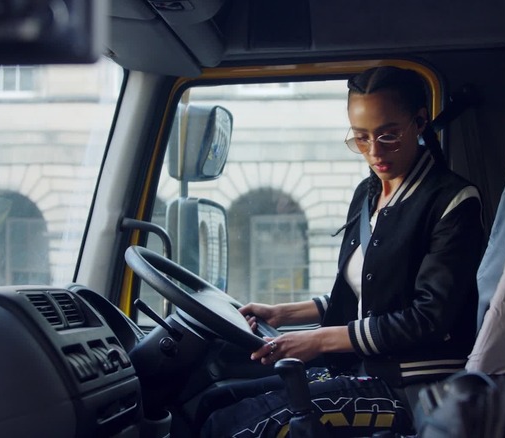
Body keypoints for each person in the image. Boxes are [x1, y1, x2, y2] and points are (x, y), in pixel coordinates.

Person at [201, 66, 484, 437]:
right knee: (214, 402)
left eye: (388, 136)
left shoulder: (453, 201)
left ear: (419, 121)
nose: (374, 152)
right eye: (361, 138)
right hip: (364, 368)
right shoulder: (367, 194)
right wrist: (283, 312)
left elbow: (427, 319)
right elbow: (367, 294)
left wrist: (317, 339)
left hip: (412, 387)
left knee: (226, 428)